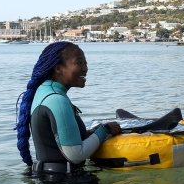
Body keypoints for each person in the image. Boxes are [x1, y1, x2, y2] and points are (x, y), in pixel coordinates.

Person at [15, 42, 122, 176]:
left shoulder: (45, 91)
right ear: (58, 68)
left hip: (50, 180)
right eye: (79, 63)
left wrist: (91, 134)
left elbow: (56, 141)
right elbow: (76, 154)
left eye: (85, 63)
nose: (85, 69)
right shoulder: (56, 99)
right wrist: (105, 131)